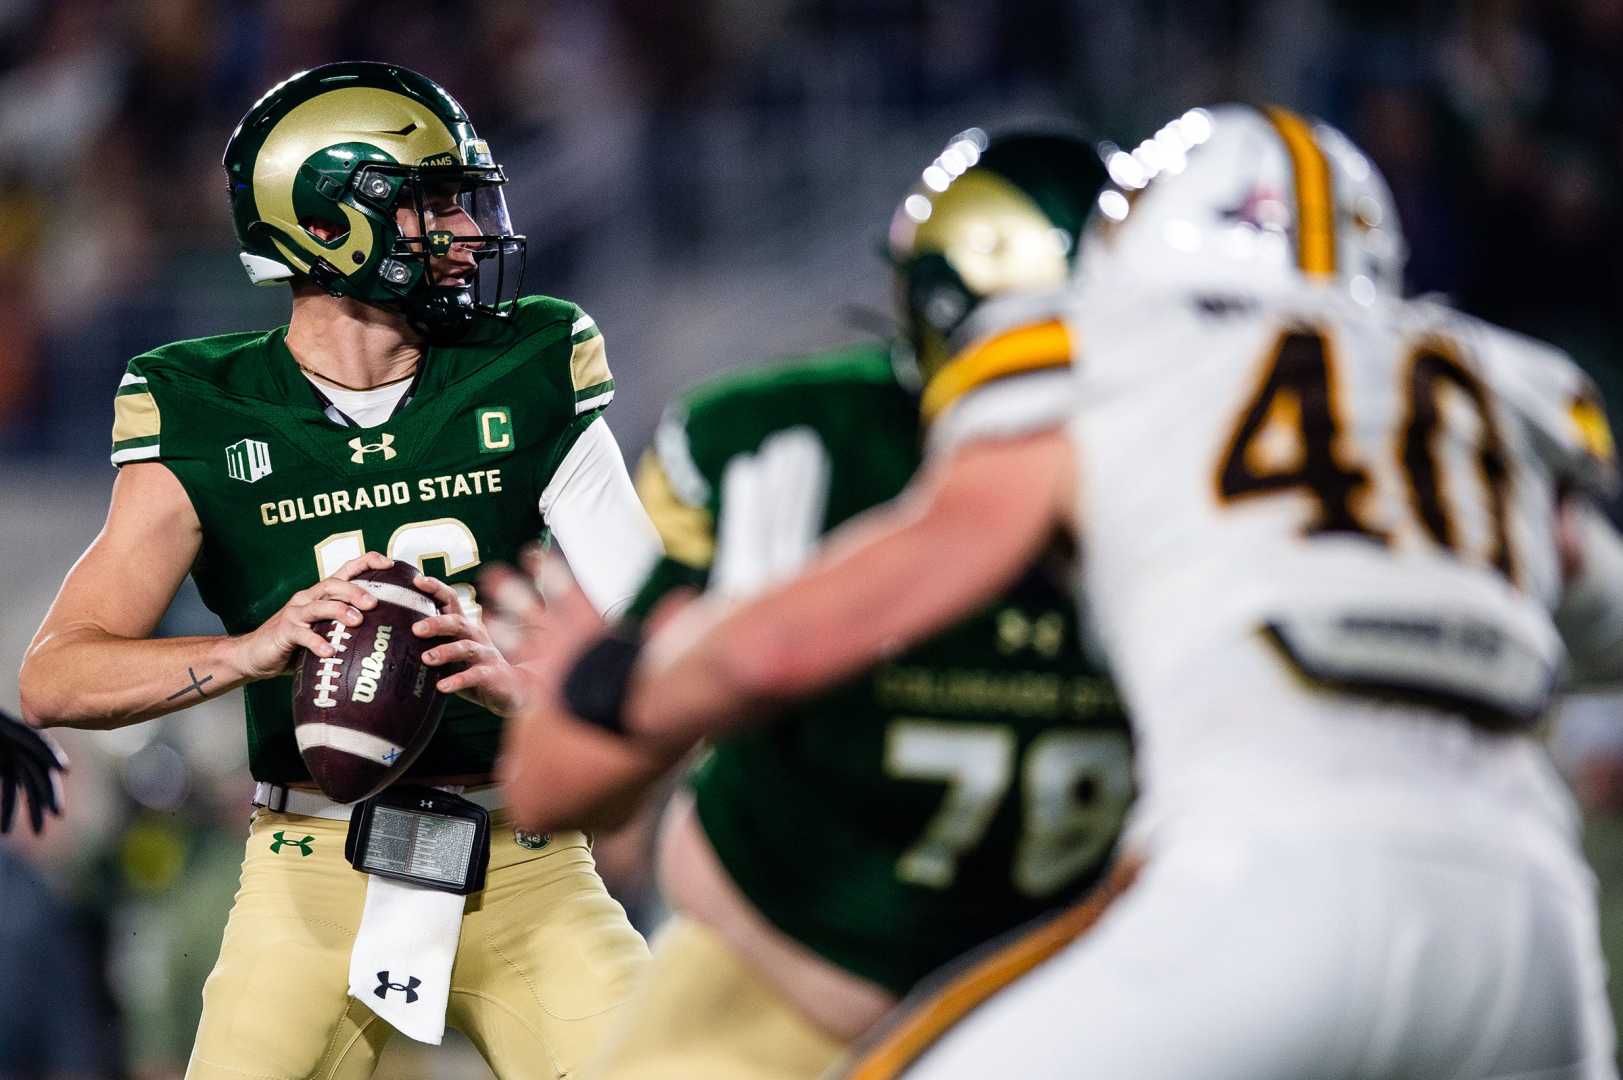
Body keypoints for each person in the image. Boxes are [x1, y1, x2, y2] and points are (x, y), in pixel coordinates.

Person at [500, 104, 1623, 1078]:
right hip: (1531, 918)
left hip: (1232, 903)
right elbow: (1591, 615)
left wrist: (628, 679)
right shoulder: (1486, 386)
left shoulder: (1110, 364)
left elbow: (784, 643)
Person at [19, 62, 658, 1080]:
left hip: (529, 861)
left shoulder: (529, 355)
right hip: (310, 875)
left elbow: (663, 632)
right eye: (429, 203)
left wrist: (539, 685)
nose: (462, 230)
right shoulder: (202, 401)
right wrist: (248, 650)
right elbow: (54, 678)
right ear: (326, 223)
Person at [491, 129, 1132, 1080]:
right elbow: (553, 785)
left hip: (1080, 1019)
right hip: (773, 990)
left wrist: (619, 672)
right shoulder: (794, 450)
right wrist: (620, 685)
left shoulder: (1219, 482)